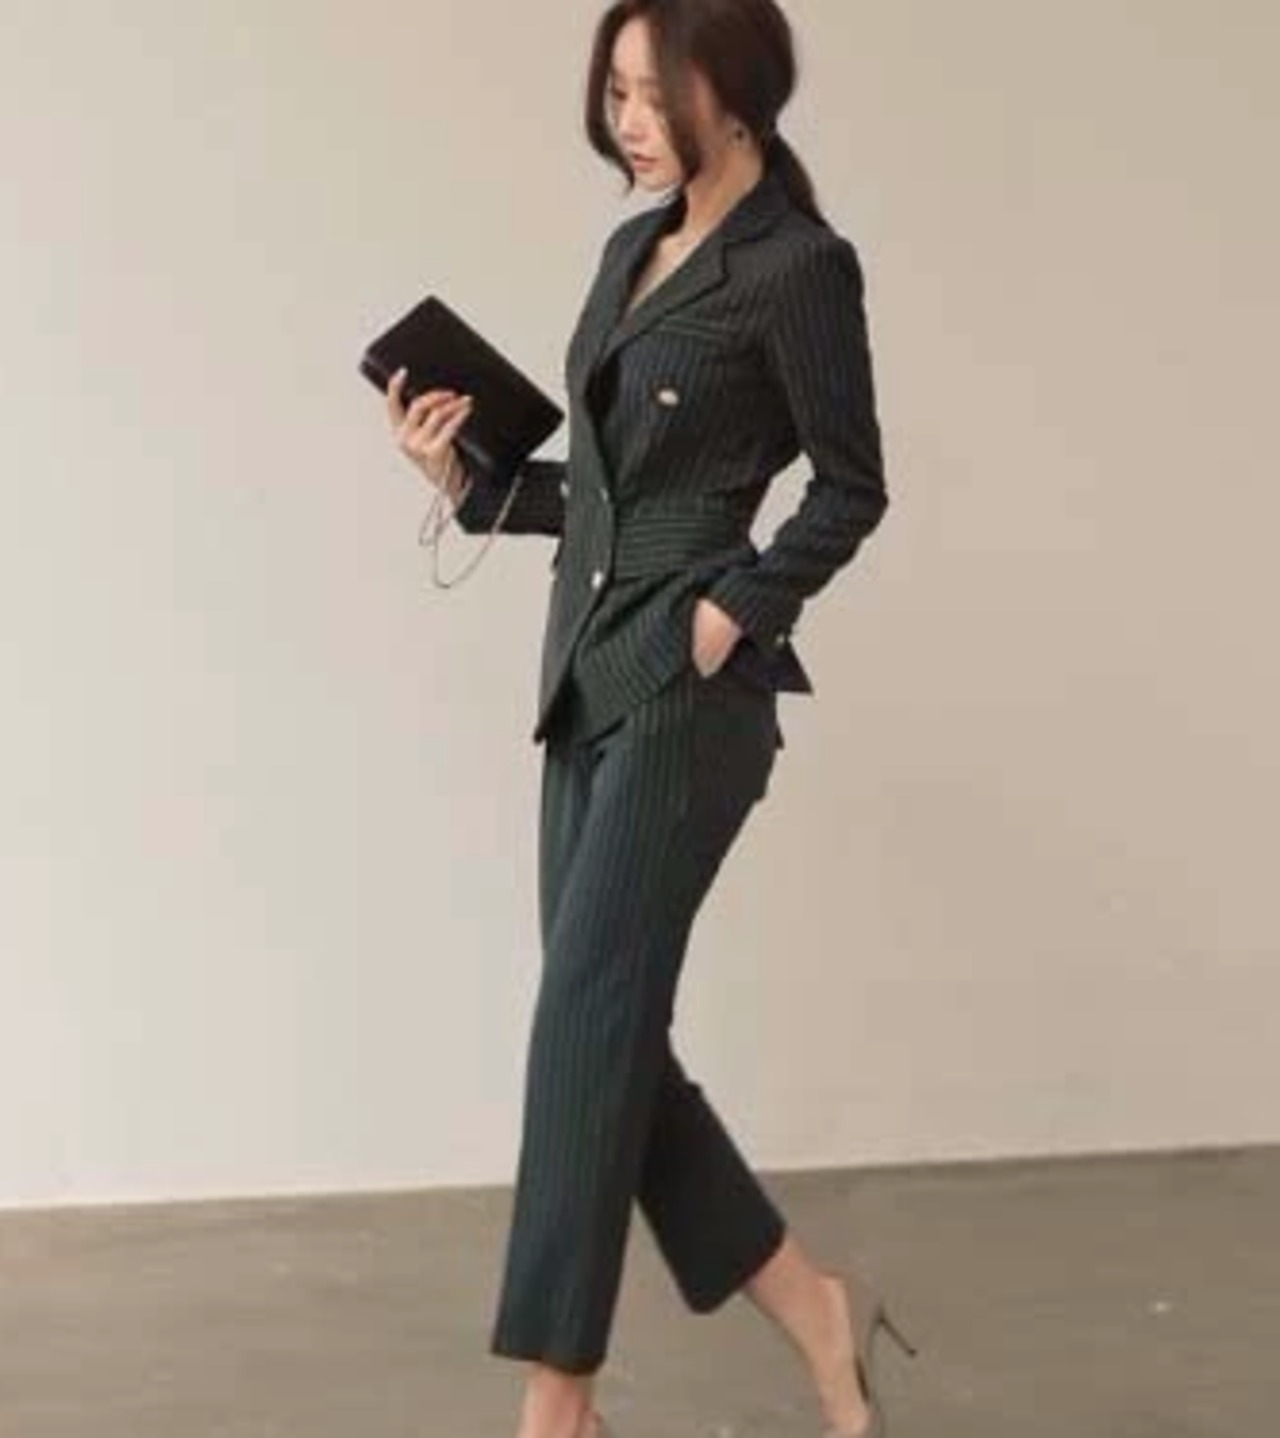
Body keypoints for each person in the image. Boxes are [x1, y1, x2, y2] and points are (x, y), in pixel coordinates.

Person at [385, 3, 915, 1435]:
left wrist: (738, 606)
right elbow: (607, 500)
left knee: (585, 1018)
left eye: (650, 92)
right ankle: (815, 1306)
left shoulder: (799, 268)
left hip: (690, 692)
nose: (627, 119)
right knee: (606, 1032)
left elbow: (853, 485)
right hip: (583, 673)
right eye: (613, 90)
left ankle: (557, 1402)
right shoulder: (632, 251)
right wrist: (467, 478)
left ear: (734, 95)